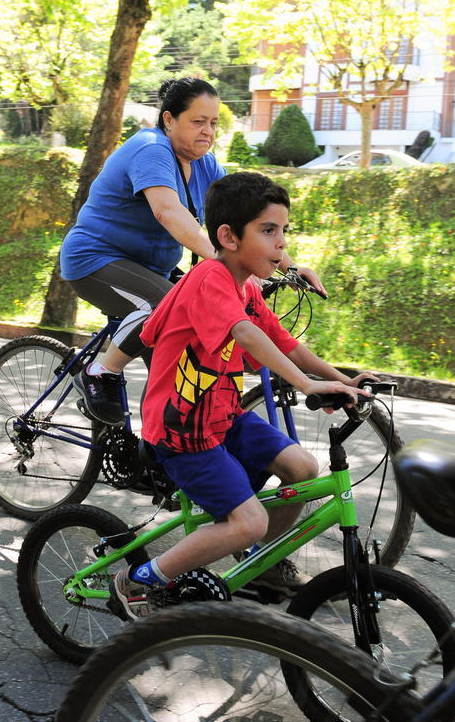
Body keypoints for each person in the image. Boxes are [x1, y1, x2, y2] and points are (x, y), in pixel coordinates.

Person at [108, 171, 374, 619]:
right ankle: (137, 579)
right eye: (268, 231)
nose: (281, 245)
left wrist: (341, 380)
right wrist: (307, 385)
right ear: (228, 237)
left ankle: (257, 561)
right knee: (247, 520)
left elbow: (285, 341)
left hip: (224, 415)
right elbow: (247, 334)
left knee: (304, 470)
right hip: (183, 430)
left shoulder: (247, 286)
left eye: (283, 232)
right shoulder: (208, 280)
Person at [61, 77, 324, 424]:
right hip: (96, 259)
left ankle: (158, 453)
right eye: (198, 121)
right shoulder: (152, 150)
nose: (208, 131)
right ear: (169, 120)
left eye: (213, 123)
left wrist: (288, 267)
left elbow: (245, 221)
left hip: (152, 269)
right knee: (165, 306)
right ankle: (100, 372)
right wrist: (220, 263)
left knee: (182, 350)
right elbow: (168, 212)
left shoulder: (205, 165)